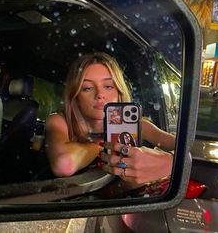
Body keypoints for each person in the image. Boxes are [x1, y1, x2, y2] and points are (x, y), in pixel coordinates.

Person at [45, 52, 175, 190]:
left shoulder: (137, 125)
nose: (100, 95)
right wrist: (103, 146)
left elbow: (185, 149)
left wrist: (169, 163)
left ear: (119, 92)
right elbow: (64, 165)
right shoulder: (61, 122)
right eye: (87, 88)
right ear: (75, 96)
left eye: (108, 86)